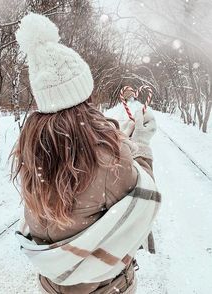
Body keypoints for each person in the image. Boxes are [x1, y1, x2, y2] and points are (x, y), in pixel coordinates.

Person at [11, 13, 161, 294]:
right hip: (104, 288)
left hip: (51, 286)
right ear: (84, 97)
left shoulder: (32, 150)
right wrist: (140, 143)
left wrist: (116, 138)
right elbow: (144, 203)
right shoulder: (108, 161)